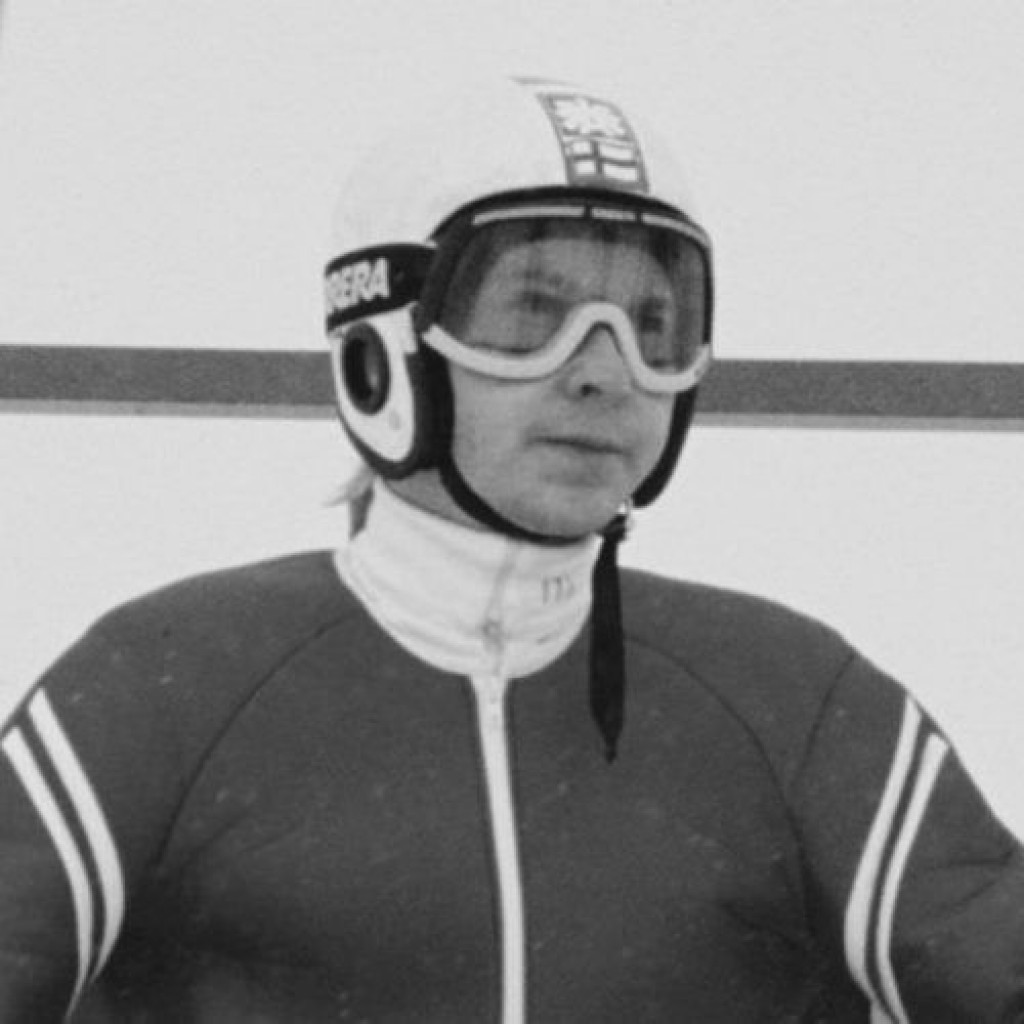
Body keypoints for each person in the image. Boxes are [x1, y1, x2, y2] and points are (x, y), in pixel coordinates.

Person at [0, 75, 1021, 1024]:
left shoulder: (796, 698)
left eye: (653, 325)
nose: (604, 373)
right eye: (532, 314)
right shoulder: (164, 683)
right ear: (382, 349)